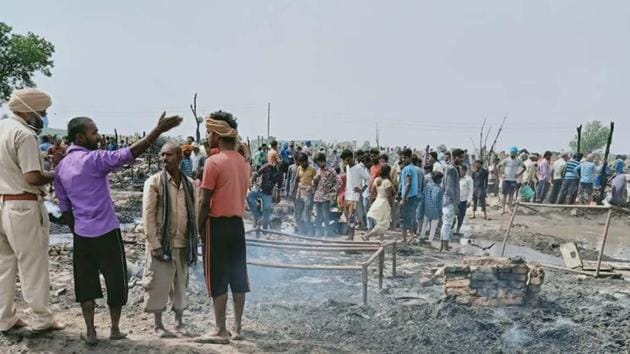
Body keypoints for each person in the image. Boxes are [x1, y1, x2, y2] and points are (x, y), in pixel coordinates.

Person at [55, 112, 182, 345]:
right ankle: (114, 329)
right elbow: (129, 153)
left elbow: (65, 210)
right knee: (116, 280)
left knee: (86, 284)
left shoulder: (61, 168)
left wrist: (78, 230)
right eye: (94, 132)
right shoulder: (95, 160)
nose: (98, 135)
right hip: (106, 232)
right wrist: (157, 130)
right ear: (81, 138)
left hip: (82, 236)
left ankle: (91, 331)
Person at [0, 88, 65, 333]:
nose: (44, 117)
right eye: (42, 112)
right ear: (30, 112)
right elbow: (32, 177)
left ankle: (4, 318)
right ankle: (41, 318)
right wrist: (57, 174)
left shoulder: (3, 127)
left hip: (2, 202)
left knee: (4, 264)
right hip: (23, 206)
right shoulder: (25, 135)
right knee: (33, 265)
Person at [196, 111, 250, 344]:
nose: (208, 136)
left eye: (209, 132)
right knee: (238, 276)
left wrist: (199, 229)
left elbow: (204, 200)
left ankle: (220, 330)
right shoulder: (242, 162)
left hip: (216, 225)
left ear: (217, 134)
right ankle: (237, 327)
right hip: (237, 225)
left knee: (218, 276)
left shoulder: (213, 162)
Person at [142, 143, 198, 338]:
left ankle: (179, 323)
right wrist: (154, 244)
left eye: (169, 155)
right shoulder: (154, 182)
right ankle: (158, 325)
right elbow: (148, 216)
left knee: (181, 284)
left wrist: (194, 241)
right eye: (162, 155)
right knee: (158, 284)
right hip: (162, 244)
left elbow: (194, 215)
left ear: (180, 156)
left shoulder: (189, 184)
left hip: (183, 243)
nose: (165, 159)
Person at [247, 154, 282, 229]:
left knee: (267, 208)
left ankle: (265, 229)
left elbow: (279, 187)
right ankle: (258, 217)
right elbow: (256, 174)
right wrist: (251, 182)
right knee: (249, 197)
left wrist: (278, 196)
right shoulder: (267, 166)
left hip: (268, 193)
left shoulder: (280, 173)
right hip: (259, 189)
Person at [341, 149, 369, 240]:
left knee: (352, 217)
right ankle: (349, 235)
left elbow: (368, 179)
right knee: (347, 217)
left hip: (354, 197)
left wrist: (361, 190)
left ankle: (351, 237)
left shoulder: (359, 168)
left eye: (344, 160)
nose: (343, 162)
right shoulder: (348, 168)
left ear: (348, 159)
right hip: (347, 196)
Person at [362, 165, 394, 241]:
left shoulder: (377, 180)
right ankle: (367, 235)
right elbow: (389, 195)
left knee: (380, 222)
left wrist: (371, 201)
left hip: (377, 200)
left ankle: (381, 240)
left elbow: (372, 191)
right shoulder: (387, 182)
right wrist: (391, 204)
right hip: (384, 202)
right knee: (383, 223)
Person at [440, 149, 464, 251]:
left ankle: (444, 246)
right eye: (461, 157)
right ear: (455, 157)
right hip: (450, 201)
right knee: (447, 224)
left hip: (448, 200)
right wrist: (455, 204)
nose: (462, 159)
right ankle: (444, 247)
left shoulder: (451, 168)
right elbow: (450, 188)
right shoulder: (451, 169)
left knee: (447, 223)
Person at [312, 153, 339, 236]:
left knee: (325, 215)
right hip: (318, 195)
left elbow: (338, 182)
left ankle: (326, 232)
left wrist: (332, 192)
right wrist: (314, 180)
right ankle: (318, 232)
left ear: (322, 161)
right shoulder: (318, 170)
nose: (318, 165)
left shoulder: (331, 171)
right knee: (318, 215)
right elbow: (314, 183)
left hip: (326, 196)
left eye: (318, 163)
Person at [399, 148, 419, 244]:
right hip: (412, 196)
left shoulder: (407, 169)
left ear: (410, 158)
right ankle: (411, 237)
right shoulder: (412, 168)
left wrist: (403, 198)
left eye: (405, 158)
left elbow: (408, 183)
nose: (403, 160)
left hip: (408, 197)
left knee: (404, 219)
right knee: (410, 217)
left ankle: (404, 238)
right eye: (402, 158)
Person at [293, 153, 316, 235]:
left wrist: (312, 188)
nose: (301, 164)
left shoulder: (312, 169)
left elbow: (315, 181)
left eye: (303, 162)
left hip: (308, 195)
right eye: (300, 163)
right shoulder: (299, 168)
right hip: (299, 194)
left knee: (306, 215)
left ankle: (309, 232)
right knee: (298, 214)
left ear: (306, 161)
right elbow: (297, 180)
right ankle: (301, 231)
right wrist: (294, 192)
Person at [500, 147, 525, 214]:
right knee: (504, 195)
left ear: (516, 154)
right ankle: (503, 209)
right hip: (506, 180)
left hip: (513, 180)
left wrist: (518, 174)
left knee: (511, 195)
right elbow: (499, 166)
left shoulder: (518, 160)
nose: (512, 154)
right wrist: (501, 175)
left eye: (514, 153)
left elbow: (524, 167)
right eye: (511, 153)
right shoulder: (506, 160)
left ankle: (509, 209)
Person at [420, 172, 444, 241]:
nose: (441, 180)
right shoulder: (440, 189)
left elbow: (423, 197)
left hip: (427, 208)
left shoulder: (427, 186)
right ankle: (430, 239)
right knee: (433, 226)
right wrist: (440, 213)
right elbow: (440, 202)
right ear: (437, 179)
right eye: (440, 179)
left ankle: (422, 236)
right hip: (435, 210)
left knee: (425, 223)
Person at [456, 165, 473, 235]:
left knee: (461, 216)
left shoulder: (469, 179)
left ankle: (457, 229)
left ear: (464, 171)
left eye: (460, 170)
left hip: (463, 201)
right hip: (455, 200)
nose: (459, 172)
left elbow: (471, 190)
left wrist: (469, 201)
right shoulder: (457, 178)